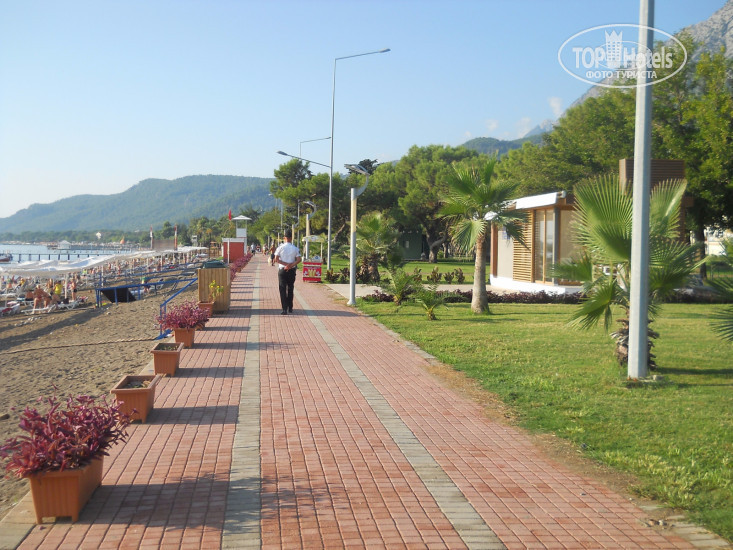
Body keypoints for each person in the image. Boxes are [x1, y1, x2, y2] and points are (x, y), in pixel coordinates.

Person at [274, 229, 302, 315]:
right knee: (290, 288)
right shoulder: (295, 248)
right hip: (291, 270)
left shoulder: (280, 247)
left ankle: (284, 309)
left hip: (282, 270)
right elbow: (299, 259)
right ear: (291, 238)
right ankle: (290, 307)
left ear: (284, 238)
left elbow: (276, 259)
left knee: (282, 289)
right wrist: (291, 265)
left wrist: (285, 264)